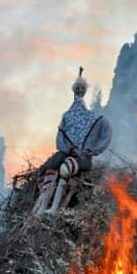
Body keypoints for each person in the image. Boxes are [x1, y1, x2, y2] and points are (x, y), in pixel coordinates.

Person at [35, 67, 112, 215]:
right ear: (74, 90)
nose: (80, 91)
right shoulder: (67, 116)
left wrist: (93, 150)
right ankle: (42, 206)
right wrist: (67, 149)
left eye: (82, 88)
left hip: (83, 158)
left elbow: (106, 134)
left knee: (65, 169)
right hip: (68, 153)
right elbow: (60, 138)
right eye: (77, 88)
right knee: (52, 166)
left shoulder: (95, 118)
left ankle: (55, 208)